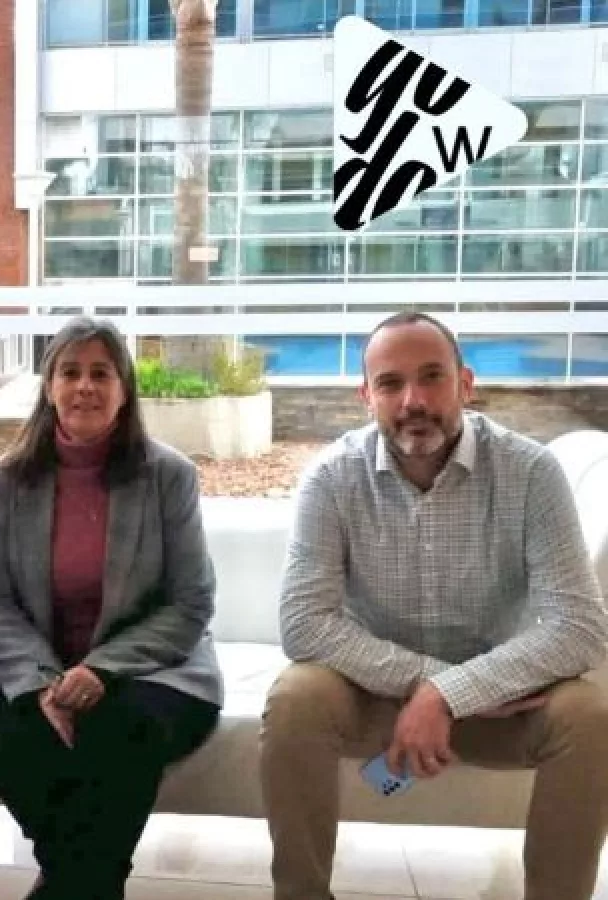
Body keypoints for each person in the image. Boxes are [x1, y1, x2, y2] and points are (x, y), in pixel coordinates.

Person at [262, 311, 608, 900]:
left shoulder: (530, 472)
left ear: (465, 384)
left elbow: (579, 626)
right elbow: (304, 624)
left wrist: (452, 694)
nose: (413, 401)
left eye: (431, 377)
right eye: (391, 383)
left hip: (502, 702)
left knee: (590, 715)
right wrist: (431, 684)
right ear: (366, 396)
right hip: (375, 696)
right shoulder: (332, 477)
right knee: (297, 696)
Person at [0, 317, 222, 900]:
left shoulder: (170, 476)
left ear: (124, 389)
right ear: (49, 386)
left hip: (151, 668)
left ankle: (68, 885)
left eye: (101, 373)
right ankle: (84, 883)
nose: (85, 386)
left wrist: (101, 668)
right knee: (18, 746)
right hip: (38, 663)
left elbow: (191, 601)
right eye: (70, 372)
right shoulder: (7, 480)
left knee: (120, 736)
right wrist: (42, 683)